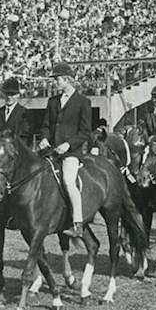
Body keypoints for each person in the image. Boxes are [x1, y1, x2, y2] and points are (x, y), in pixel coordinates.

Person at [39, 62, 92, 238]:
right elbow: (46, 124)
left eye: (58, 80)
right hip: (52, 150)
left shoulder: (83, 102)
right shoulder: (53, 101)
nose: (55, 83)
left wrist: (68, 145)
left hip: (71, 152)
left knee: (68, 181)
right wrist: (45, 138)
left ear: (67, 80)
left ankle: (78, 223)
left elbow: (85, 131)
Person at [0, 77, 31, 144]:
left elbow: (25, 137)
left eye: (12, 94)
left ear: (18, 95)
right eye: (7, 94)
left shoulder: (25, 113)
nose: (9, 97)